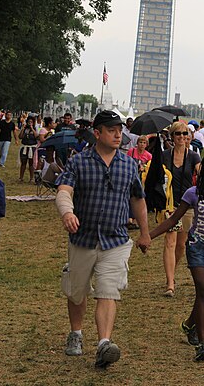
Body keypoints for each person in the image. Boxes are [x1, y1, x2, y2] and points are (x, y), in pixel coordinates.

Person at [55, 110, 151, 369]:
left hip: (116, 240)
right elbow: (64, 191)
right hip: (82, 238)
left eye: (119, 129)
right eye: (111, 130)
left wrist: (144, 232)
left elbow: (137, 199)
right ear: (97, 133)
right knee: (77, 291)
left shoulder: (129, 165)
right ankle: (76, 333)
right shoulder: (79, 162)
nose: (118, 134)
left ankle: (104, 344)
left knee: (108, 290)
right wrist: (67, 212)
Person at [138, 151, 204, 362]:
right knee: (203, 290)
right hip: (197, 247)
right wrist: (149, 236)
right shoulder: (193, 193)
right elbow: (174, 219)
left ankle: (189, 325)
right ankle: (202, 344)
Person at [160, 122, 201, 296]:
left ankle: (172, 272)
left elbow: (201, 172)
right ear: (172, 136)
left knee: (181, 245)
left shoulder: (193, 157)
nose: (182, 137)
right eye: (178, 134)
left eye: (186, 134)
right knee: (170, 242)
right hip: (169, 204)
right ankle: (170, 283)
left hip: (187, 206)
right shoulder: (164, 156)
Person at [18, 117, 38, 182]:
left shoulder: (35, 128)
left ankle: (31, 178)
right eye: (29, 122)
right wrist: (23, 129)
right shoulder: (25, 129)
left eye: (31, 122)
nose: (30, 123)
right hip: (25, 147)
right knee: (23, 163)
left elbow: (36, 137)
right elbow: (20, 137)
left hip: (32, 147)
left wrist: (32, 129)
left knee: (31, 164)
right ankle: (21, 177)